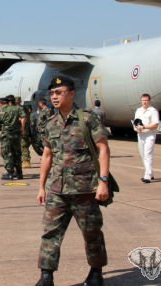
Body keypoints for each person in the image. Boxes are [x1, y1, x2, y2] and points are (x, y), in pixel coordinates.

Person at [35, 75, 109, 286]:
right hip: (57, 190)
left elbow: (103, 149)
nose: (54, 97)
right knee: (50, 233)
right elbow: (47, 155)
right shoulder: (50, 123)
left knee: (92, 233)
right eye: (52, 93)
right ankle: (46, 277)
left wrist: (103, 181)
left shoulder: (87, 119)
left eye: (59, 92)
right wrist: (41, 186)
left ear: (72, 94)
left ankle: (96, 273)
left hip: (85, 189)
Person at [0, 95, 25, 180]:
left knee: (6, 153)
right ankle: (19, 173)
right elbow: (23, 117)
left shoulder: (4, 110)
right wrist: (22, 128)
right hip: (17, 135)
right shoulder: (18, 108)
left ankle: (10, 173)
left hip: (7, 135)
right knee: (17, 153)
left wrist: (0, 128)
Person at [133, 93, 159, 183]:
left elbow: (155, 124)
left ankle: (147, 176)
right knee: (143, 155)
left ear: (149, 101)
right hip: (140, 135)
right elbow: (135, 122)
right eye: (143, 100)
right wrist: (136, 128)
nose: (144, 102)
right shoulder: (138, 110)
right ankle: (150, 173)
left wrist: (144, 127)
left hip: (149, 135)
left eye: (146, 100)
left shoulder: (153, 111)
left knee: (148, 154)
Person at [17, 97, 32, 168]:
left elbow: (24, 119)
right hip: (24, 129)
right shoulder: (24, 108)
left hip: (22, 129)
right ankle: (23, 160)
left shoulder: (20, 109)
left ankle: (26, 161)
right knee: (22, 145)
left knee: (23, 145)